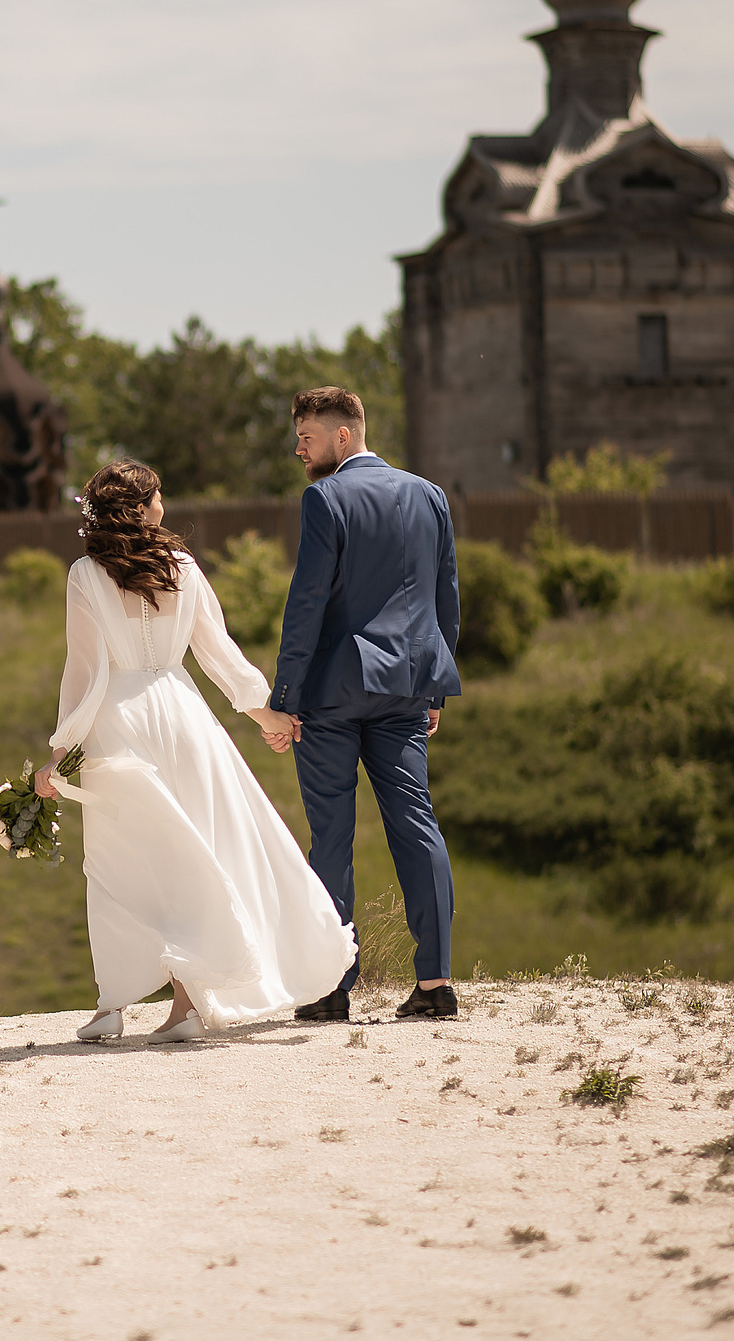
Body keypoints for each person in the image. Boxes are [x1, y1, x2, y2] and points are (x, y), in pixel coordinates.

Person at [35, 459, 355, 1042]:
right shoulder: (181, 566)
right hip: (183, 715)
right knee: (193, 856)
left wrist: (61, 751)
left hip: (120, 720)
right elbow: (219, 655)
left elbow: (84, 673)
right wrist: (269, 716)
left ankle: (114, 1005)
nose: (165, 505)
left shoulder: (84, 574)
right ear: (142, 507)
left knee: (119, 862)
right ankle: (183, 1007)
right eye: (158, 496)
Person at [266, 386, 464, 1023]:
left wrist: (285, 697)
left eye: (307, 436)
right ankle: (435, 983)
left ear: (343, 436)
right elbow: (445, 599)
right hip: (407, 688)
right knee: (417, 826)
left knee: (332, 836)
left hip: (333, 694)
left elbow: (307, 604)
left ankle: (331, 990)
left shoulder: (324, 499)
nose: (299, 449)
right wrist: (432, 686)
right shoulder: (430, 495)